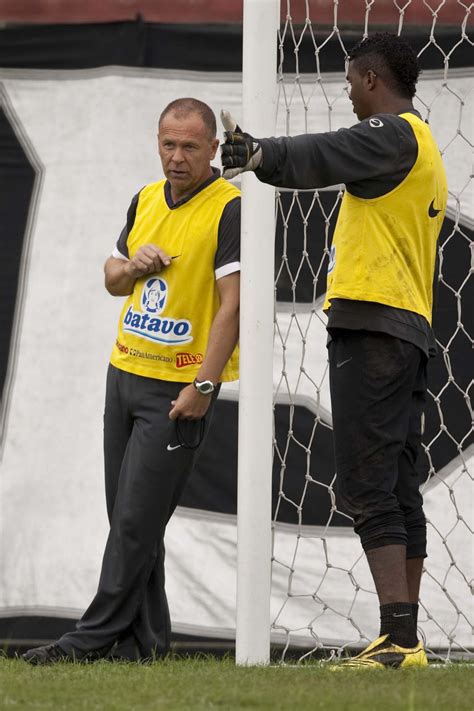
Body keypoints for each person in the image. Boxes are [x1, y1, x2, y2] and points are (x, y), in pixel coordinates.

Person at [221, 32, 447, 669]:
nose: (346, 92)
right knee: (399, 487)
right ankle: (403, 639)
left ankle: (399, 640)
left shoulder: (394, 134)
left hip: (374, 331)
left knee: (366, 486)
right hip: (406, 332)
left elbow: (328, 153)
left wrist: (260, 153)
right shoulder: (422, 143)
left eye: (350, 81)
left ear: (372, 79)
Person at [23, 98, 241, 664]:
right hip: (122, 374)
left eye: (190, 146)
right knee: (133, 520)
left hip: (175, 389)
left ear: (214, 149)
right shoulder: (145, 199)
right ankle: (148, 644)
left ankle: (86, 640)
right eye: (168, 144)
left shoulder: (231, 208)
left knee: (132, 524)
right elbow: (112, 279)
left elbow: (233, 308)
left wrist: (206, 386)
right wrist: (133, 266)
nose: (176, 157)